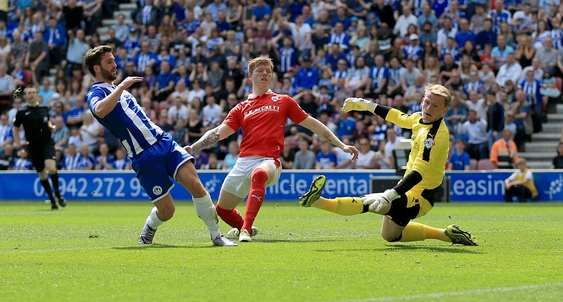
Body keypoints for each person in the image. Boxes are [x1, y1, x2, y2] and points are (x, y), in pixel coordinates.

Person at [186, 57, 358, 243]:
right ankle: (246, 227)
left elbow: (313, 124)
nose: (265, 74)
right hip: (244, 161)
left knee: (259, 174)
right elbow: (218, 133)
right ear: (250, 76)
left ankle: (245, 230)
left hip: (269, 161)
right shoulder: (241, 108)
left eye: (268, 71)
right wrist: (194, 147)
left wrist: (341, 145)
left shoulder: (283, 101)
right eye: (260, 70)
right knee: (221, 210)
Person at [83, 45, 236, 247]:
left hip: (164, 142)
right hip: (143, 155)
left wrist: (120, 89)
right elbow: (100, 111)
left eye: (113, 60)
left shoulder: (116, 90)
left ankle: (217, 236)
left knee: (196, 185)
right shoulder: (96, 92)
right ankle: (149, 228)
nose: (115, 64)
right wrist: (121, 87)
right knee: (167, 211)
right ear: (96, 68)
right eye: (109, 61)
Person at [298, 85, 478, 246]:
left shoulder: (434, 137)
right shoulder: (419, 119)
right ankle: (446, 234)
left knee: (369, 202)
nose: (428, 108)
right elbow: (398, 117)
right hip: (409, 191)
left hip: (419, 197)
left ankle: (317, 201)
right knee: (390, 236)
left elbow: (419, 173)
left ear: (444, 110)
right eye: (427, 102)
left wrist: (390, 194)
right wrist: (367, 105)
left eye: (435, 106)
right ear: (422, 100)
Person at [12, 85, 67, 210]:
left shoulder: (44, 108)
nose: (31, 94)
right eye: (29, 93)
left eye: (33, 92)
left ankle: (58, 193)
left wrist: (51, 126)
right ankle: (52, 199)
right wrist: (19, 146)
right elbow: (15, 129)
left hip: (47, 143)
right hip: (32, 146)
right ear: (25, 96)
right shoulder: (21, 112)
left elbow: (47, 121)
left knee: (51, 168)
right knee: (42, 175)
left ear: (37, 94)